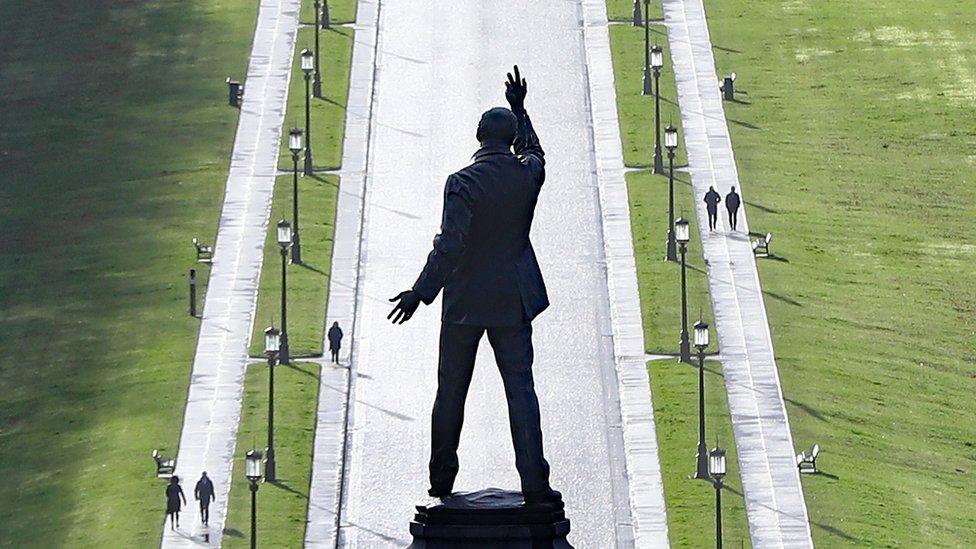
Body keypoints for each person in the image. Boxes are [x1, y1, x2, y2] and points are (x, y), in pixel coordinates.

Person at [387, 66, 560, 505]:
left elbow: (450, 247)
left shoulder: (461, 183)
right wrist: (522, 110)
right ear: (508, 137)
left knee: (451, 393)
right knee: (521, 392)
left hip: (464, 301)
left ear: (477, 136)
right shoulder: (525, 175)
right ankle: (534, 482)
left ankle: (441, 479)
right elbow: (537, 151)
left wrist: (420, 292)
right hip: (513, 297)